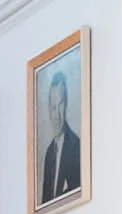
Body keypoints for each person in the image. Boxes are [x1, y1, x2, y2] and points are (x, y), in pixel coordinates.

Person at [39, 70, 83, 206]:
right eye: (53, 107)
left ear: (66, 105)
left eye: (60, 105)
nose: (56, 115)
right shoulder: (49, 153)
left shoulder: (76, 147)